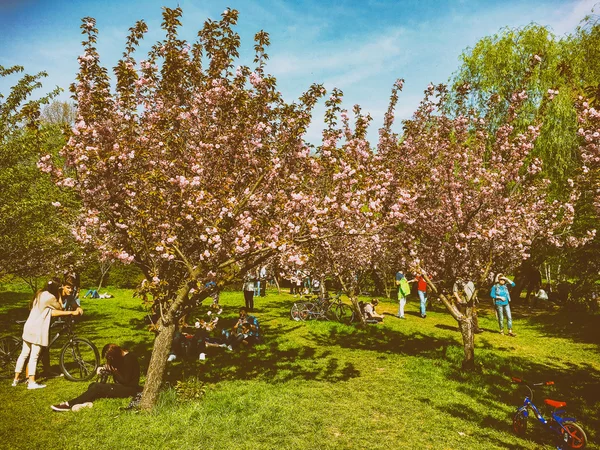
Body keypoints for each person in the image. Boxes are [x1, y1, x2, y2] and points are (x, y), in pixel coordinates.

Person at [13, 280, 83, 389]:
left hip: (29, 326)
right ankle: (31, 381)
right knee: (34, 355)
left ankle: (16, 379)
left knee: (24, 353)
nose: (69, 290)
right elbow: (58, 309)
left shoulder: (40, 293)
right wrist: (61, 297)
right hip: (37, 328)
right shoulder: (50, 297)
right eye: (65, 288)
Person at [51, 344, 141, 412]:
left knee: (97, 387)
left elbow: (125, 381)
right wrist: (107, 370)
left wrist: (114, 371)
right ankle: (85, 403)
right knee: (93, 385)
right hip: (122, 386)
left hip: (129, 389)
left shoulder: (129, 359)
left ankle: (69, 404)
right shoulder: (122, 357)